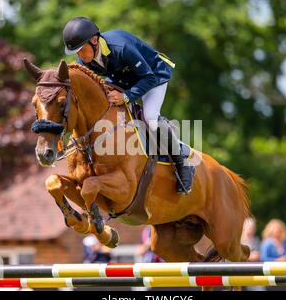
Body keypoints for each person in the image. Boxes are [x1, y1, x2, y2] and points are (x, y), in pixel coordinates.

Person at [62, 16, 194, 194]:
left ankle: (182, 162)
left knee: (150, 117)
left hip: (153, 76)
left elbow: (149, 77)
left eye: (81, 50)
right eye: (76, 53)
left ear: (94, 41)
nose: (80, 56)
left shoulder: (121, 47)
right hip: (124, 80)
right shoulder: (84, 59)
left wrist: (127, 96)